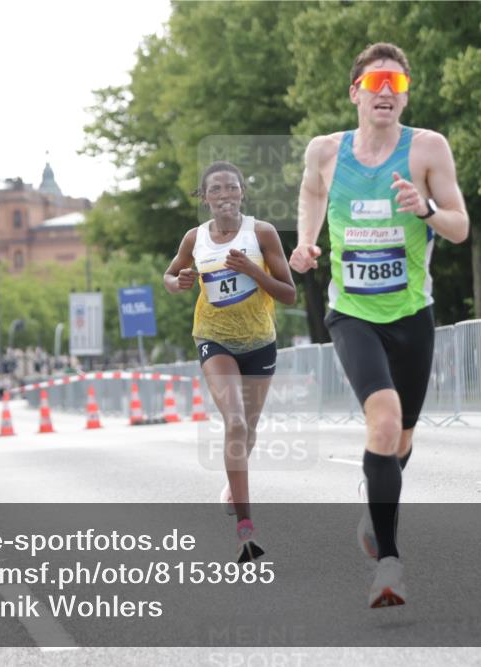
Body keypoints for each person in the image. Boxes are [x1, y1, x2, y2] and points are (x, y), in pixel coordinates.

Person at [289, 43, 469, 608]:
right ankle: (388, 566)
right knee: (384, 420)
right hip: (353, 313)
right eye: (375, 84)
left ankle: (375, 507)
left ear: (406, 93)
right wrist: (306, 242)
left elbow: (460, 227)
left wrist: (424, 211)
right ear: (356, 94)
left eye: (395, 83)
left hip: (412, 313)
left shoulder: (427, 149)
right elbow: (312, 193)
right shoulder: (324, 153)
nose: (386, 92)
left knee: (400, 439)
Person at [164, 161, 297, 562]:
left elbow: (289, 294)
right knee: (235, 421)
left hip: (259, 341)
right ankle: (245, 529)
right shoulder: (195, 239)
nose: (224, 195)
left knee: (249, 430)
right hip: (214, 338)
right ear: (204, 198)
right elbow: (170, 276)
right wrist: (179, 282)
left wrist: (253, 271)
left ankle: (230, 486)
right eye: (215, 190)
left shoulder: (262, 233)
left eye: (231, 188)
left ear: (242, 193)